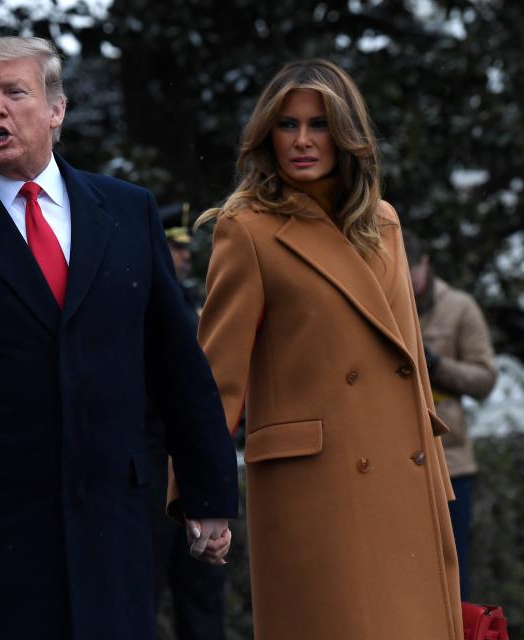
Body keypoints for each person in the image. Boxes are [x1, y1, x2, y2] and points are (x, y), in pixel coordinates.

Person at [0, 36, 238, 640]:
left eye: (14, 92)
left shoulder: (127, 210)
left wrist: (208, 491)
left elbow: (176, 365)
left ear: (56, 109)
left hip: (111, 525)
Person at [167, 59, 463, 639]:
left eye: (320, 124)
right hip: (317, 491)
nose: (302, 141)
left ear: (347, 133)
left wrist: (436, 481)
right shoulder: (246, 228)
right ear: (266, 135)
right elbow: (214, 378)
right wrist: (199, 493)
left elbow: (410, 366)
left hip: (404, 478)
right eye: (286, 125)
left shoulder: (384, 223)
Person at [147, 205, 227, 640]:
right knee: (145, 589)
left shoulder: (198, 300)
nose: (183, 256)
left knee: (202, 595)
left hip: (193, 464)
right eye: (174, 248)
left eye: (184, 249)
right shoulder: (142, 300)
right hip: (155, 463)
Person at [404, 230, 497, 599]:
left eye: (410, 275)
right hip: (398, 463)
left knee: (452, 577)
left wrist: (438, 365)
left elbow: (485, 378)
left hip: (453, 462)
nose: (405, 286)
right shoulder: (382, 305)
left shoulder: (460, 308)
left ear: (424, 265)